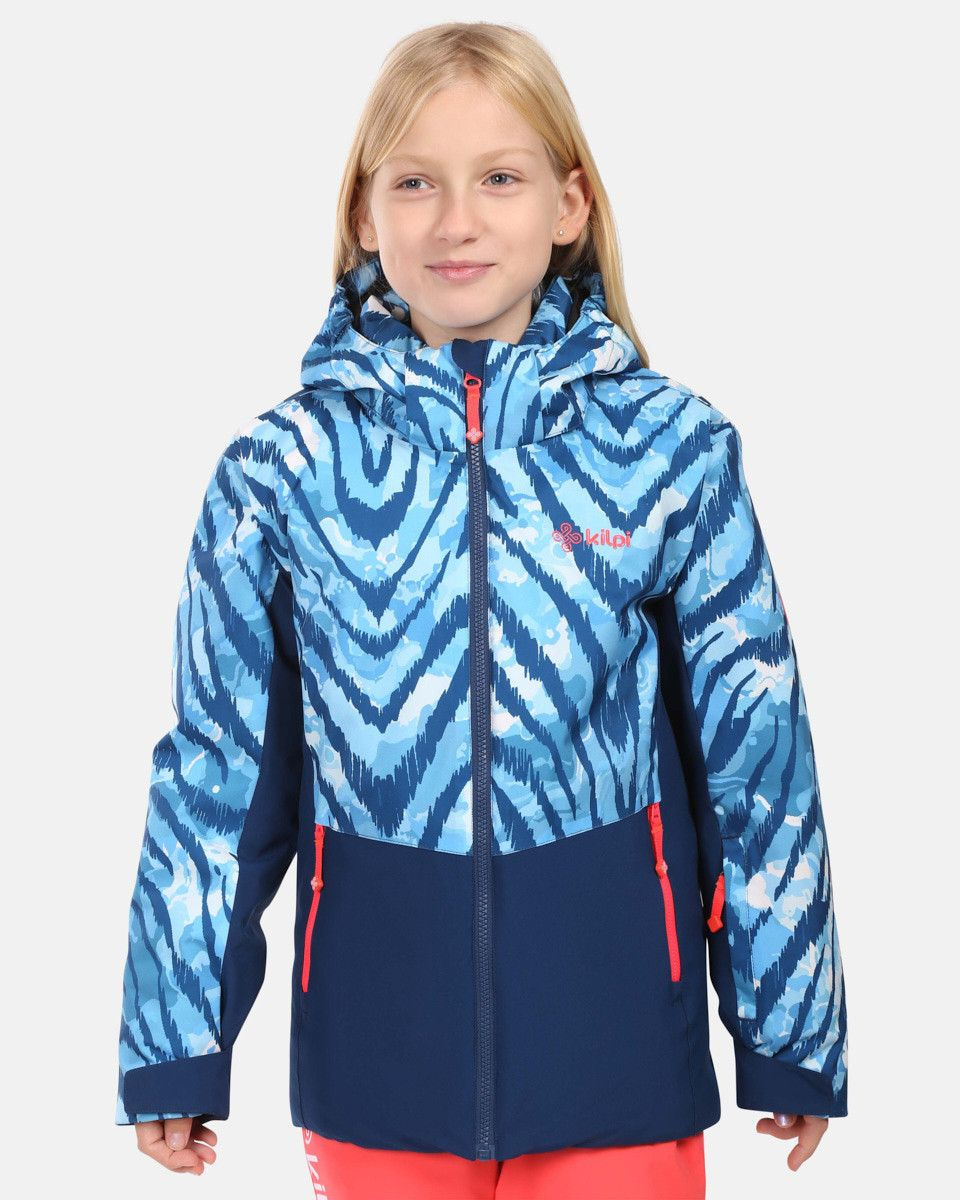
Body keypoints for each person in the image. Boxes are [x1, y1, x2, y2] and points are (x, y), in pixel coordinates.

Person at [114, 21, 848, 1198]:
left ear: (569, 205)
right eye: (416, 183)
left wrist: (790, 1026)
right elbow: (217, 776)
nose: (456, 221)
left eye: (499, 178)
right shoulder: (280, 474)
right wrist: (173, 1045)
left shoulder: (671, 452)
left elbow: (754, 757)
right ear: (364, 214)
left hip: (617, 1047)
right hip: (375, 1058)